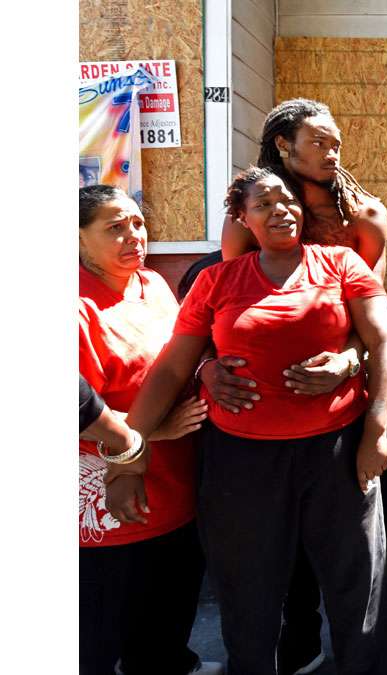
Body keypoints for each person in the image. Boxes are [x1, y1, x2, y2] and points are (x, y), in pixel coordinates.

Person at [107, 167, 387, 674]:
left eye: (287, 200)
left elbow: (383, 340)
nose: (281, 209)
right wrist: (127, 459)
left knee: (358, 586)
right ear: (242, 218)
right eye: (263, 204)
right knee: (249, 593)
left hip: (336, 452)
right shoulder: (216, 281)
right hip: (240, 462)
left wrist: (375, 430)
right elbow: (174, 366)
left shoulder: (341, 263)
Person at [205, 99, 387, 674]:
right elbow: (227, 301)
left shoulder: (364, 215)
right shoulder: (251, 219)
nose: (334, 153)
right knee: (287, 537)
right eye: (320, 143)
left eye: (337, 143)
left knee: (381, 531)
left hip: (355, 401)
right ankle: (300, 640)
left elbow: (372, 320)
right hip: (271, 415)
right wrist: (210, 370)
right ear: (284, 145)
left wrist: (348, 364)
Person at [78, 185, 219, 675]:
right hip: (112, 498)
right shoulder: (76, 307)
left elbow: (186, 359)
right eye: (114, 227)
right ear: (77, 238)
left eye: (136, 223)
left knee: (167, 612)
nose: (132, 236)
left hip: (177, 486)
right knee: (99, 630)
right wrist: (152, 436)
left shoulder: (155, 285)